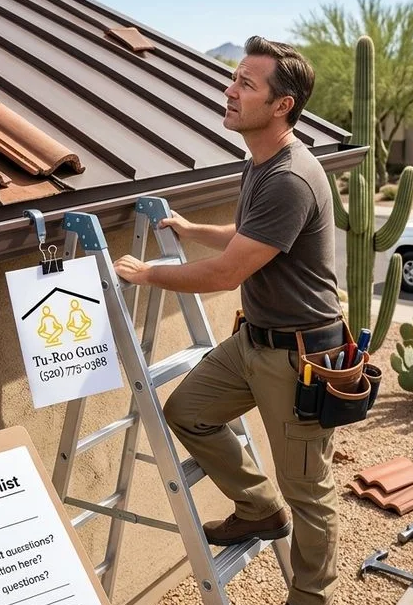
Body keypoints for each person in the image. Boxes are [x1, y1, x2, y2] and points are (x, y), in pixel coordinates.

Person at [113, 36, 342, 605]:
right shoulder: (259, 163)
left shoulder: (290, 177)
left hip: (300, 358)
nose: (229, 90)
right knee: (187, 412)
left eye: (246, 83)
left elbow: (226, 273)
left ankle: (312, 596)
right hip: (255, 343)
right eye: (234, 77)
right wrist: (194, 232)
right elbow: (250, 239)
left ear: (282, 104)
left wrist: (149, 275)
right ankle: (259, 508)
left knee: (310, 491)